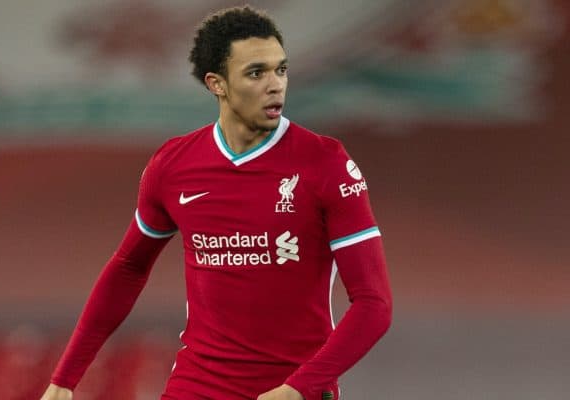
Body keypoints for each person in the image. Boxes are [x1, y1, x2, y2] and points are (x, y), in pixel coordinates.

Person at [41, 5, 392, 400]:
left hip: (291, 390)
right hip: (197, 385)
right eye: (256, 73)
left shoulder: (326, 163)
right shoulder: (172, 165)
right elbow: (128, 267)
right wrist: (64, 378)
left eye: (281, 69)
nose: (276, 85)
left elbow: (373, 304)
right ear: (217, 84)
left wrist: (301, 386)